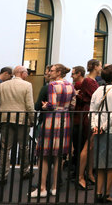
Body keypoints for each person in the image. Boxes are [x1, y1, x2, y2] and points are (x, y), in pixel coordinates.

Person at [32, 64, 76, 198]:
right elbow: (73, 105)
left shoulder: (52, 85)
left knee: (45, 154)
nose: (49, 73)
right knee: (58, 156)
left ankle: (42, 187)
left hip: (52, 120)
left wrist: (45, 106)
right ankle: (55, 187)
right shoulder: (70, 85)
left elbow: (51, 104)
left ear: (58, 72)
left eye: (51, 71)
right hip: (65, 119)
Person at [90, 64, 112, 203]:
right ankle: (107, 193)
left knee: (100, 163)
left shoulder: (98, 90)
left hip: (98, 131)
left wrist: (95, 126)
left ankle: (98, 192)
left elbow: (92, 110)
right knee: (111, 165)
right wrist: (104, 127)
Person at [0, 65, 34, 185]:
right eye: (26, 72)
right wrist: (33, 119)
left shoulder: (3, 85)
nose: (27, 75)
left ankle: (3, 175)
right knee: (24, 147)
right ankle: (24, 171)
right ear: (21, 73)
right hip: (21, 120)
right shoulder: (27, 85)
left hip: (5, 119)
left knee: (4, 148)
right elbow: (29, 105)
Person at [76, 59, 100, 190]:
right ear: (95, 67)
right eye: (100, 65)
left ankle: (89, 173)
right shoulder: (88, 81)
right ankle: (80, 177)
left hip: (92, 112)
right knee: (87, 145)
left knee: (91, 145)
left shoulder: (92, 81)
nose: (101, 67)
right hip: (89, 113)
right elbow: (95, 97)